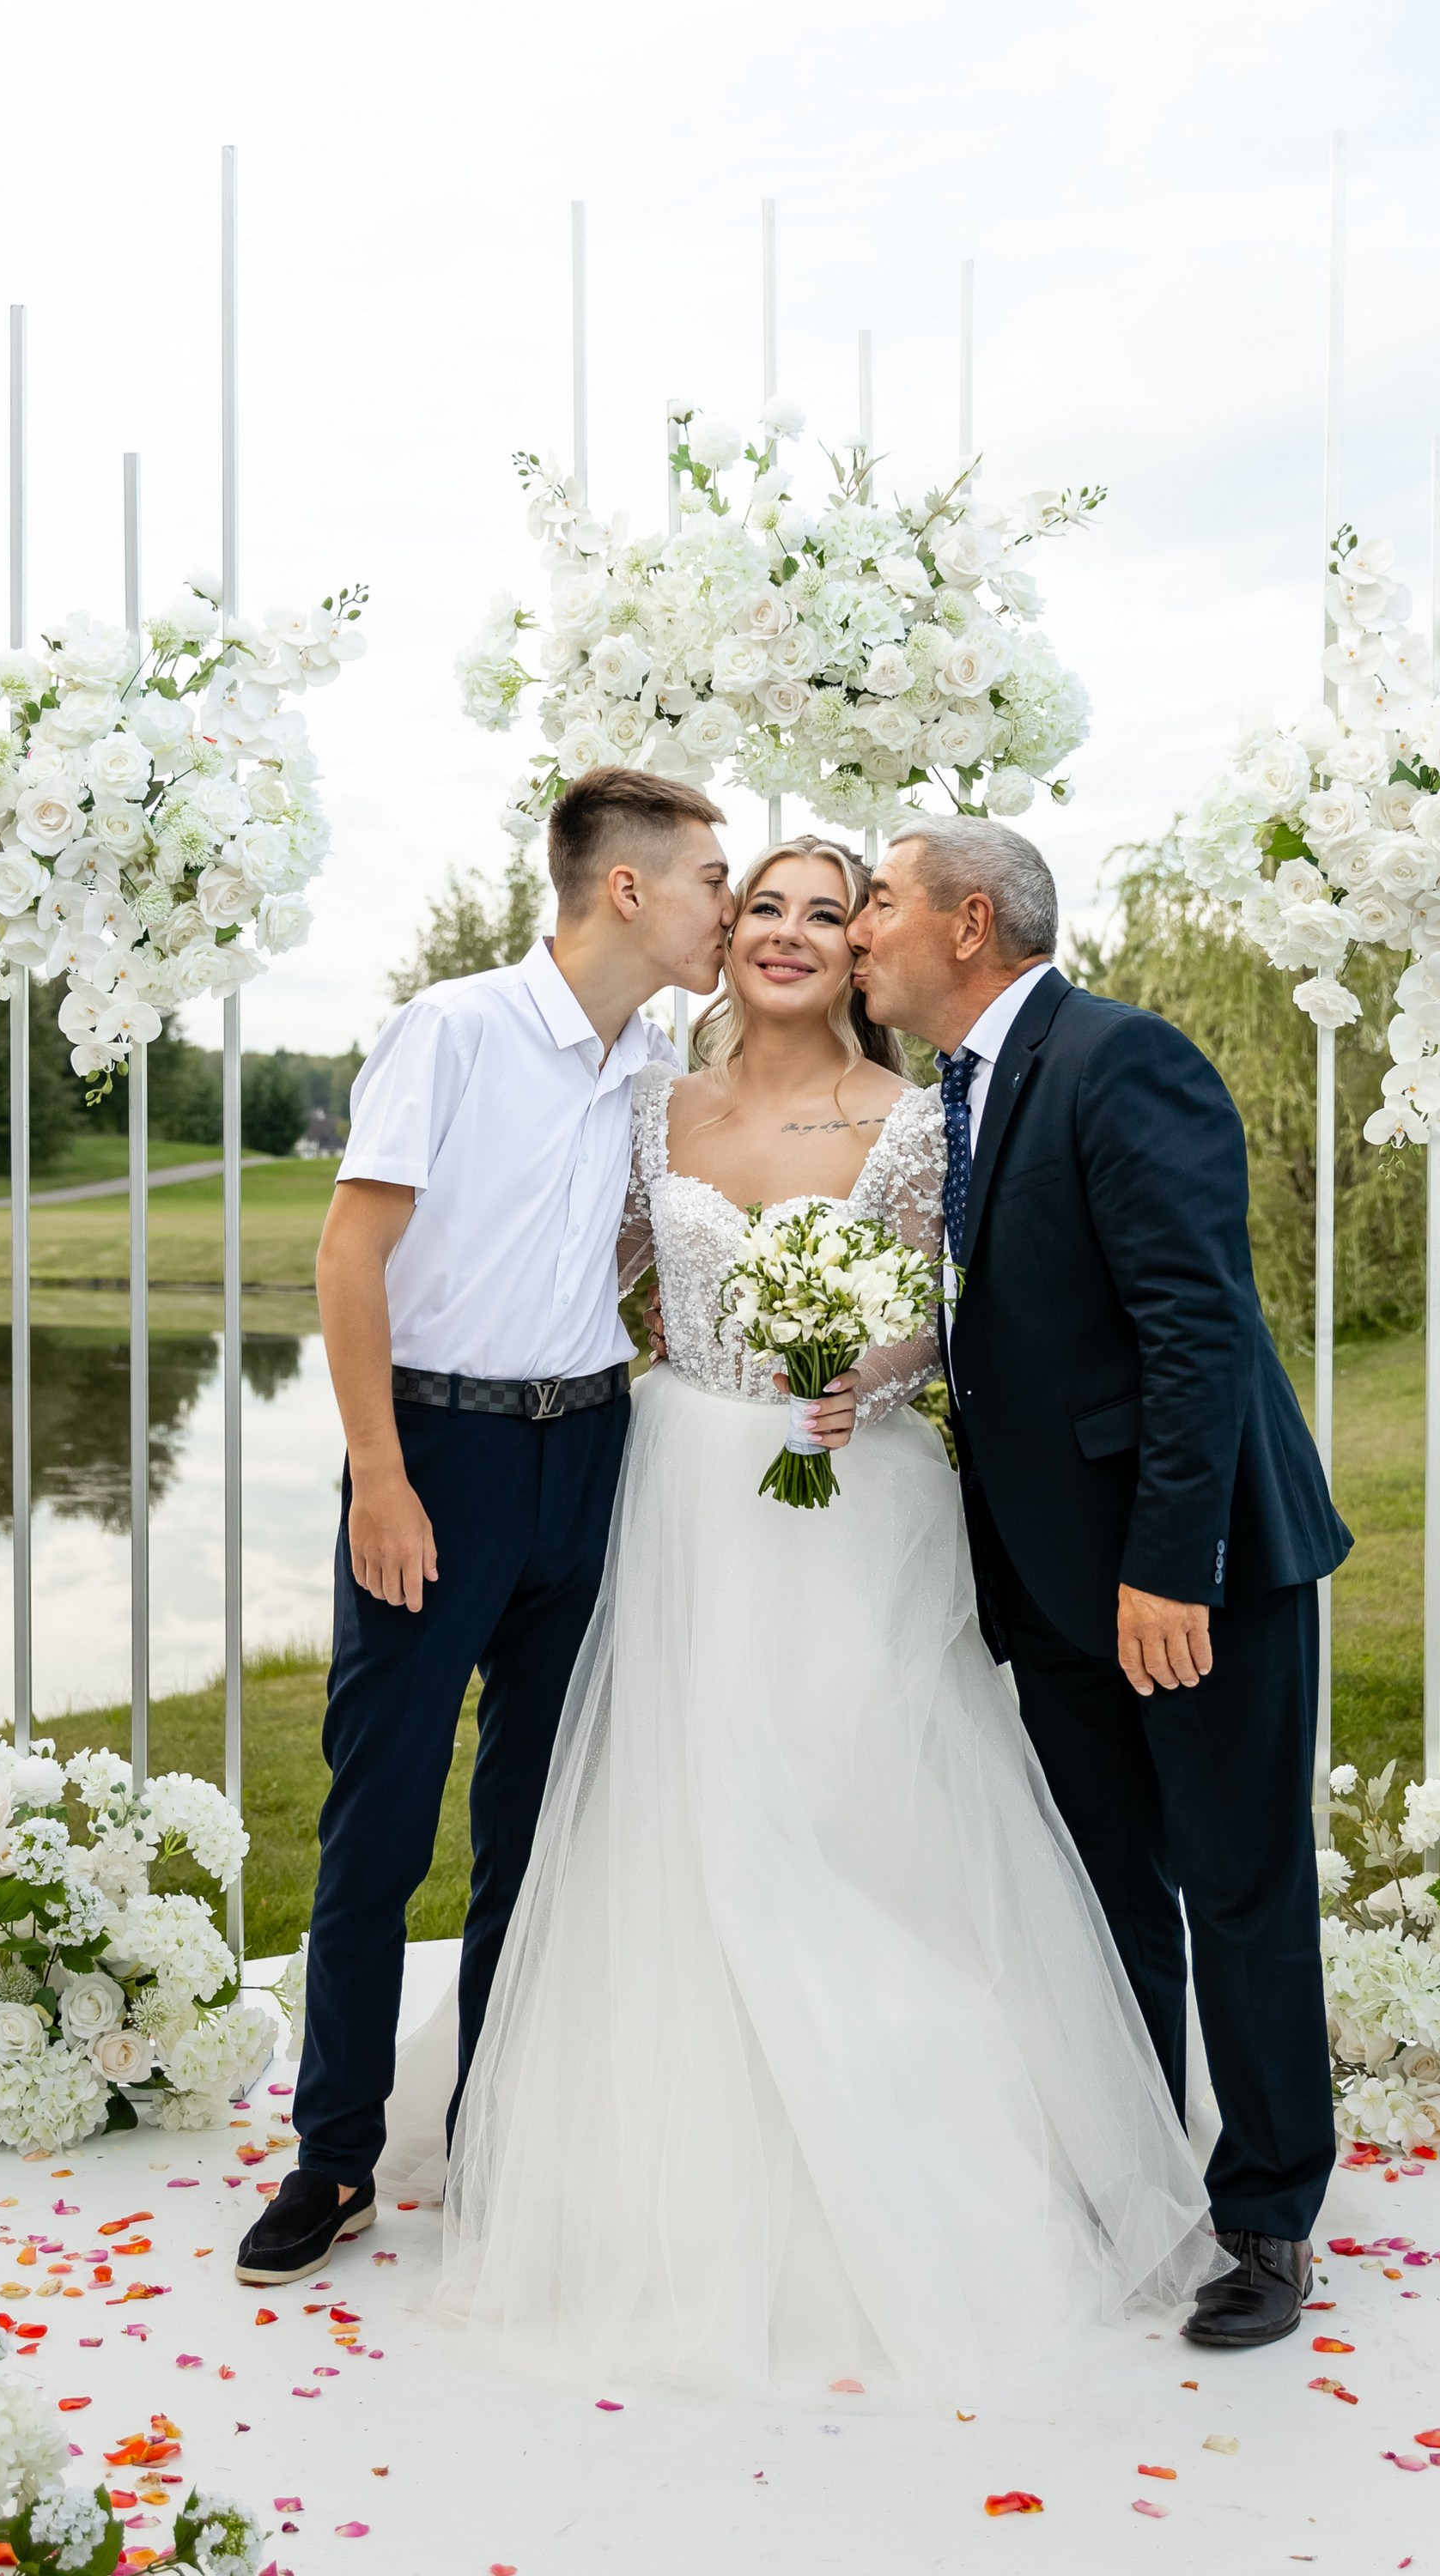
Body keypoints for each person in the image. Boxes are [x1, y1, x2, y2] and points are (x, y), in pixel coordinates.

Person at [380, 833, 1224, 2401]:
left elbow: (951, 1305)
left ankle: (950, 2167)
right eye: (759, 904)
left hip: (863, 1506)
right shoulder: (650, 1105)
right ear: (726, 934)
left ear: (864, 953)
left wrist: (870, 1365)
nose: (784, 931)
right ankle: (668, 2180)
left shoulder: (917, 1118)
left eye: (827, 913)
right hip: (687, 1489)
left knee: (863, 1818)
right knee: (693, 1820)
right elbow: (595, 1266)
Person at [847, 815, 1352, 2353]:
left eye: (879, 901)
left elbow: (1197, 1332)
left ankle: (1267, 2213)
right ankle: (1145, 2176)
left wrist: (1166, 1572)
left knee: (1237, 1886)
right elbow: (1019, 1313)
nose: (860, 929)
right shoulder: (965, 1087)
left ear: (970, 924)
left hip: (1190, 1573)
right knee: (1107, 1893)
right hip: (1054, 1584)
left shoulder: (1123, 1059)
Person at [234, 767, 734, 2289]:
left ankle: (496, 2126)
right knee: (379, 1820)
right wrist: (379, 1475)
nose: (729, 900)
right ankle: (333, 2159)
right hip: (436, 1459)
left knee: (535, 1821)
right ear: (630, 889)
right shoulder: (451, 1028)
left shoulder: (654, 1055)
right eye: (714, 877)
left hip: (591, 1452)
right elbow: (350, 1251)